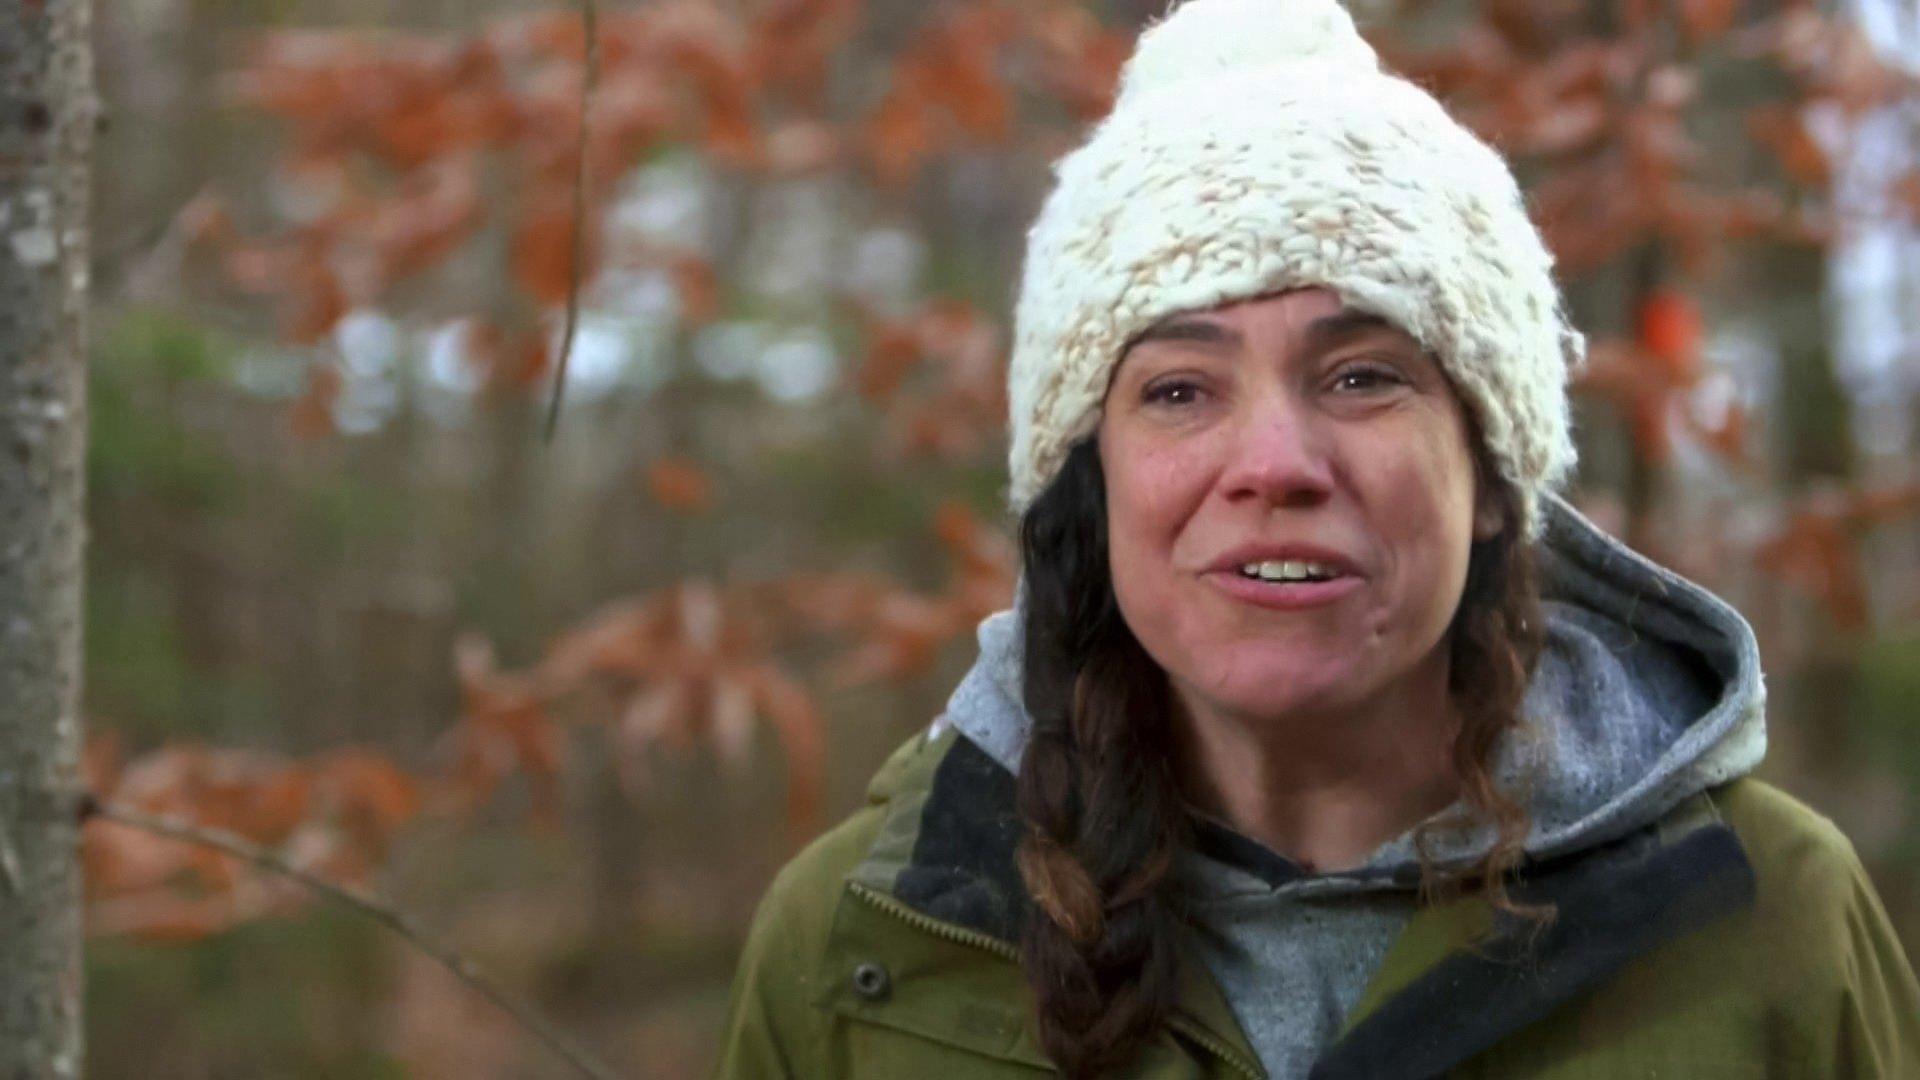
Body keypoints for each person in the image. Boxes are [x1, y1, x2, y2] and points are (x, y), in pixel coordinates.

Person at [711, 0, 1920, 1075]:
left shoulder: (1764, 918)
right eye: (1180, 389)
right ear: (1093, 481)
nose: (1275, 465)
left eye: (1360, 378)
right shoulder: (862, 953)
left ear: (1494, 477)